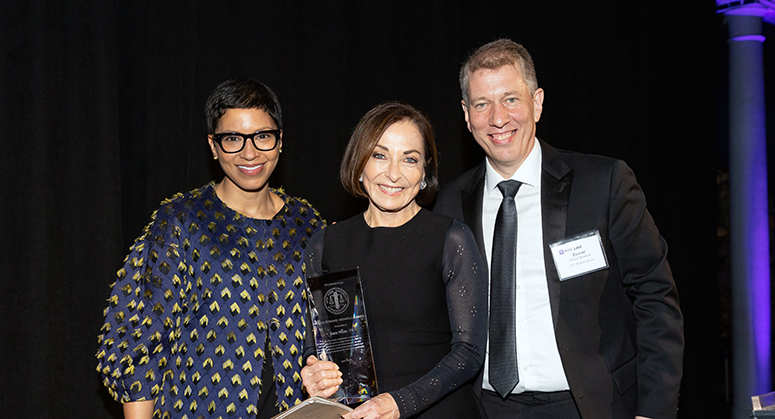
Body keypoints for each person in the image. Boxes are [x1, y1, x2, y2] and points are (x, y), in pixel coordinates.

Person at [433, 39, 684, 419]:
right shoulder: (450, 203)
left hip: (589, 407)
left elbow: (656, 298)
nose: (498, 118)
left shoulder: (603, 184)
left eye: (511, 99)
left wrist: (654, 411)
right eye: (483, 104)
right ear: (467, 115)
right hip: (485, 409)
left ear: (537, 102)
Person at [96, 79, 325, 419]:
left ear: (280, 141)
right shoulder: (181, 222)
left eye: (262, 136)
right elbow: (137, 341)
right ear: (213, 145)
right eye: (233, 139)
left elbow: (325, 331)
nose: (250, 153)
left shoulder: (308, 225)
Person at [300, 101, 488, 419]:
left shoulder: (451, 238)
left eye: (409, 159)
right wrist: (314, 370)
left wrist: (400, 403)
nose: (393, 173)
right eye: (380, 155)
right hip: (359, 414)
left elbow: (469, 352)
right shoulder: (326, 244)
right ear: (360, 164)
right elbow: (318, 342)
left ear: (425, 173)